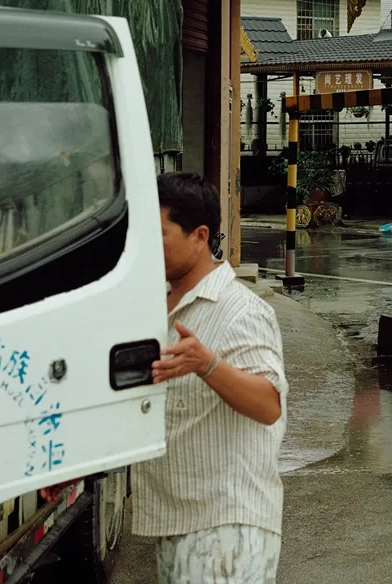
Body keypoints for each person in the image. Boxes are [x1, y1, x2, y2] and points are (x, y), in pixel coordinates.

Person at [133, 172, 287, 584]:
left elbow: (269, 404)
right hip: (178, 518)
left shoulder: (241, 311)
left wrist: (208, 365)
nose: (146, 244)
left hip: (227, 526)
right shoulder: (157, 303)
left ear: (199, 235)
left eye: (159, 233)